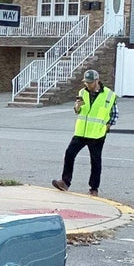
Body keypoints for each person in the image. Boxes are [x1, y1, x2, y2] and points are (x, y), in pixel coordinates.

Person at [52, 69, 117, 197]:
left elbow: (114, 113)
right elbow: (78, 110)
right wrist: (77, 107)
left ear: (97, 81)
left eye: (90, 82)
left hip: (97, 134)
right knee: (69, 154)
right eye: (86, 82)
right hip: (81, 132)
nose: (87, 84)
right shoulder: (82, 92)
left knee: (95, 161)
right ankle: (65, 182)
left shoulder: (109, 95)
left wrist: (107, 127)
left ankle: (94, 189)